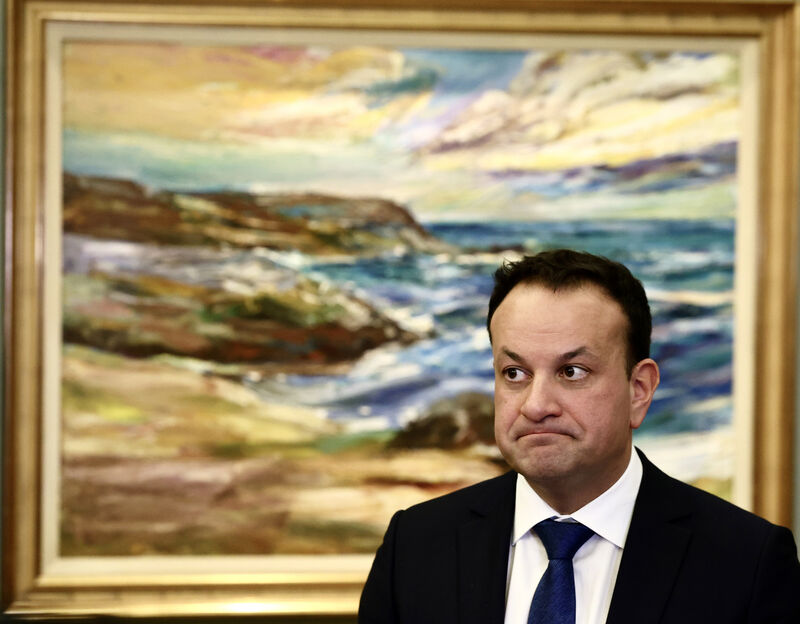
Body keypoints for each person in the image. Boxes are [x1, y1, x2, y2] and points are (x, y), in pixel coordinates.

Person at [359, 249, 800, 624]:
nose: (535, 404)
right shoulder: (414, 548)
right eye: (514, 373)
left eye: (572, 372)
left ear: (638, 390)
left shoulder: (747, 562)